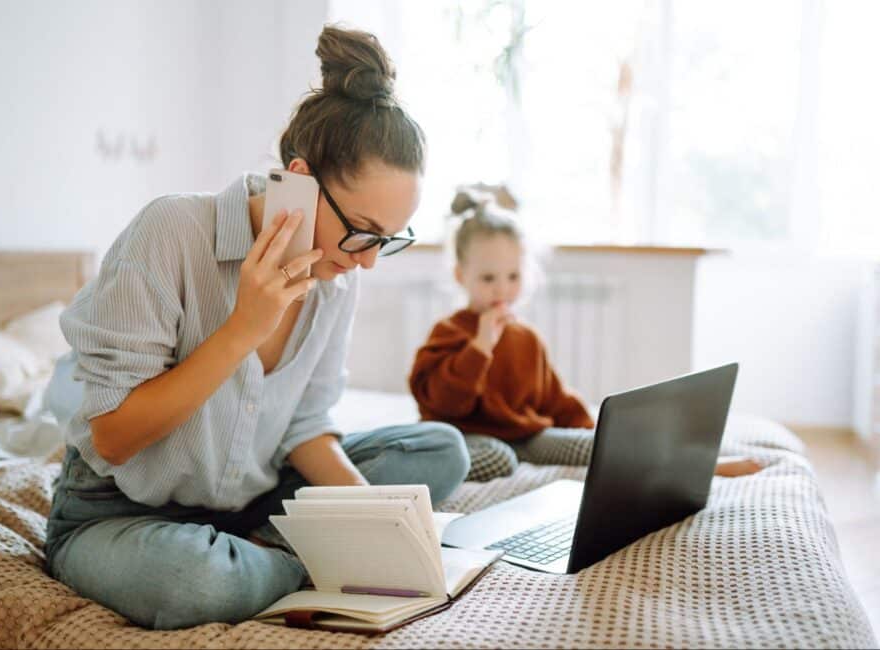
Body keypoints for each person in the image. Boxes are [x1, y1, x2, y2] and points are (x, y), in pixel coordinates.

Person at [42, 25, 470, 631]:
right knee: (195, 579)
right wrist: (242, 329)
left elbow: (304, 426)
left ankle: (275, 550)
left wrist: (383, 530)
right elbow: (113, 438)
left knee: (440, 452)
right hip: (120, 512)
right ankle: (293, 564)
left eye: (389, 240)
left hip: (249, 498)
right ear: (299, 177)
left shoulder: (335, 272)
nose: (369, 259)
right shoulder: (171, 232)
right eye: (363, 231)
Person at [409, 186, 761, 482]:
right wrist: (480, 346)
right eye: (488, 279)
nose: (502, 289)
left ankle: (694, 465)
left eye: (513, 277)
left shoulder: (526, 338)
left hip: (526, 437)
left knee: (590, 447)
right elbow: (443, 403)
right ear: (460, 276)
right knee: (499, 459)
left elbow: (555, 400)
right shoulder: (449, 332)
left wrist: (597, 432)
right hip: (469, 438)